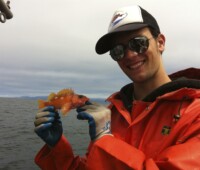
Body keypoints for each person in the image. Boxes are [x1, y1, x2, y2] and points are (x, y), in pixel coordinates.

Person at [34, 5, 200, 170]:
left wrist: (105, 141)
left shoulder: (195, 114)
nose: (130, 55)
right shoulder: (112, 114)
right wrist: (57, 148)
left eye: (138, 43)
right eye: (118, 50)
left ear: (160, 43)